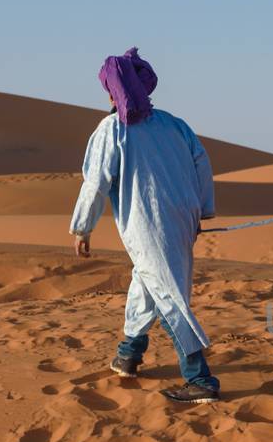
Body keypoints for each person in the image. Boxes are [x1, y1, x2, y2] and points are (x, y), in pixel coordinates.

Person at [70, 48, 220, 402]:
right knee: (147, 280)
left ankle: (199, 379)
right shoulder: (174, 124)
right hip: (182, 218)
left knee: (167, 294)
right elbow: (202, 163)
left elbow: (96, 182)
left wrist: (82, 227)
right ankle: (129, 353)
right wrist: (202, 211)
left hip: (148, 220)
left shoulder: (113, 129)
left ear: (111, 92)